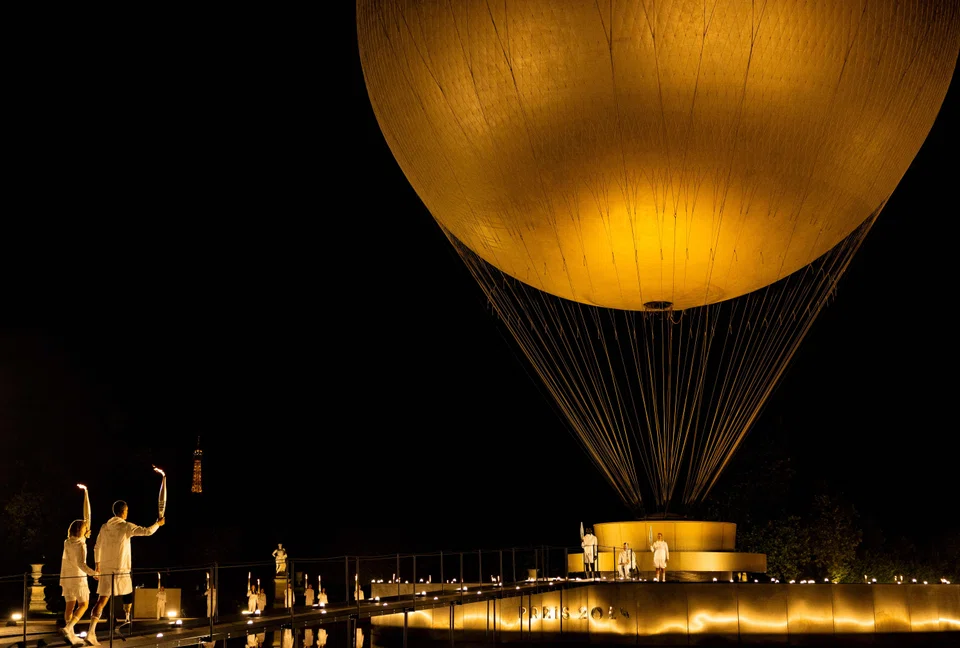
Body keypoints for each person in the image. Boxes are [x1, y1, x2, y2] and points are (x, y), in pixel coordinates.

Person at [88, 501, 164, 645]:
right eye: (127, 510)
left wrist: (97, 565)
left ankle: (91, 632)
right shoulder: (126, 526)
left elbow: (97, 547)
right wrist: (157, 524)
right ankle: (127, 616)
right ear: (124, 512)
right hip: (121, 569)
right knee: (128, 591)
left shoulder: (104, 527)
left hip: (106, 569)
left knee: (102, 600)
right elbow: (147, 531)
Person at [60, 519, 98, 646]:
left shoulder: (67, 542)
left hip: (66, 578)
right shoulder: (81, 545)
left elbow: (77, 541)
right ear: (82, 530)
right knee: (84, 605)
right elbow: (81, 564)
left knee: (69, 606)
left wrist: (84, 536)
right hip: (78, 578)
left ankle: (70, 636)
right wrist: (94, 573)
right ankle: (68, 628)